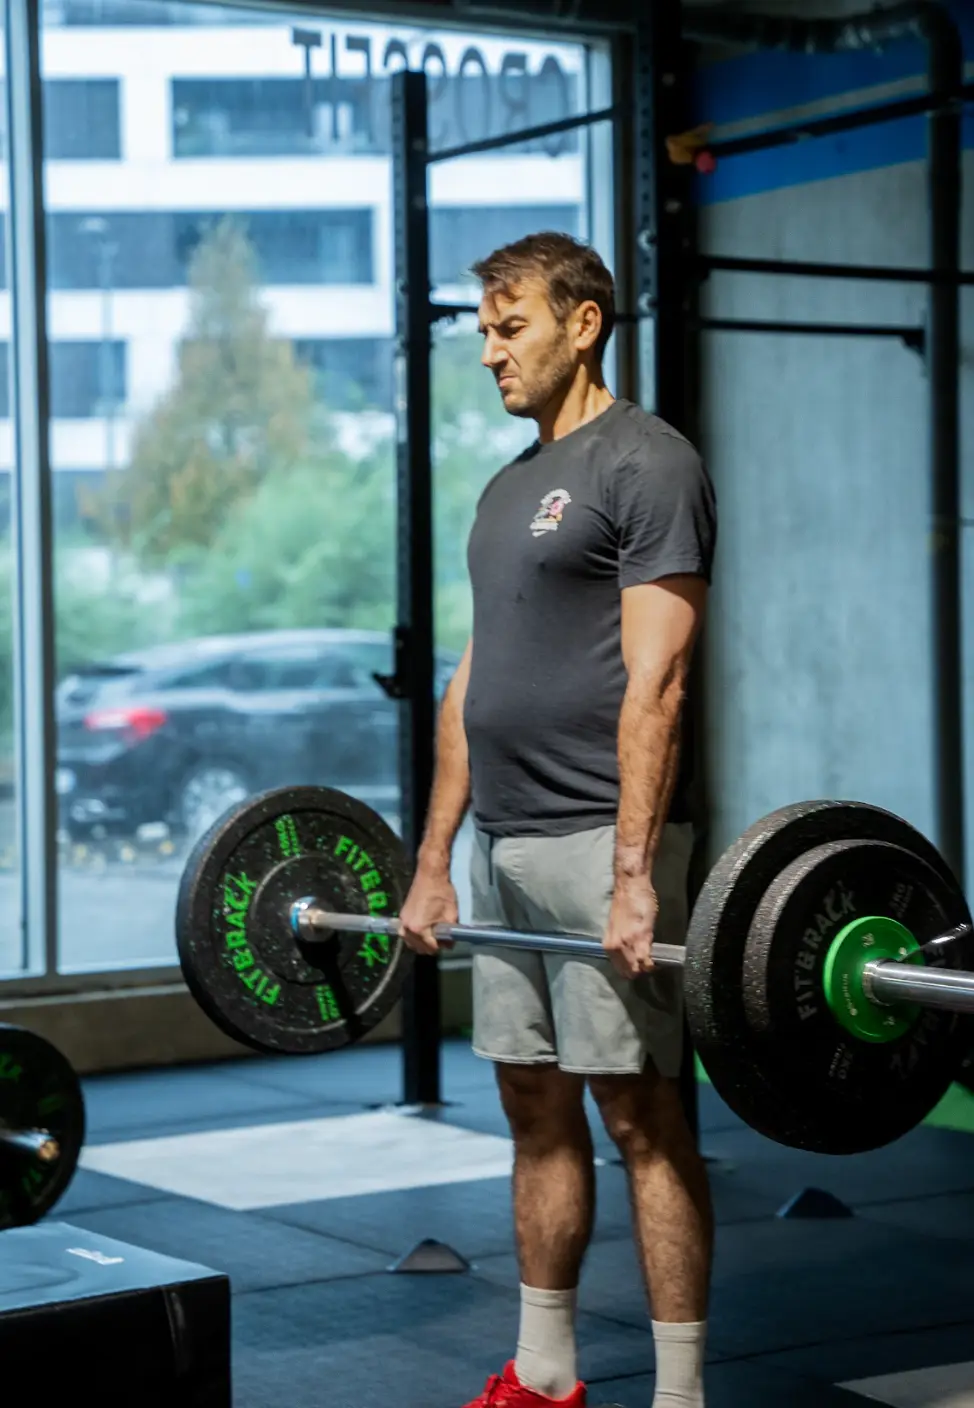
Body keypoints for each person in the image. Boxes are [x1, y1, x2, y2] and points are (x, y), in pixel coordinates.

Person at [398, 231, 718, 1408]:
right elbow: (469, 686)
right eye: (482, 329)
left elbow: (659, 683)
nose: (488, 351)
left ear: (582, 323)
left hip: (597, 840)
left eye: (509, 323)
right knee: (533, 1108)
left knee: (640, 1116)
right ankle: (543, 1373)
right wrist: (434, 860)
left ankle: (678, 1392)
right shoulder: (502, 490)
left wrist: (636, 875)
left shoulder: (646, 464)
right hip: (503, 847)